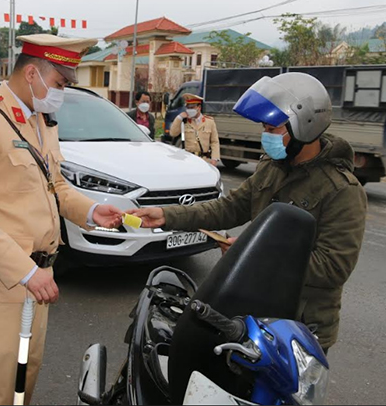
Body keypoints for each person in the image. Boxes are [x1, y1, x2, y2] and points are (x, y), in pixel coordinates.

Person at [128, 73, 367, 353]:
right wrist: (167, 215)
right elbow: (229, 208)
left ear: (304, 124)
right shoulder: (272, 166)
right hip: (254, 312)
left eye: (272, 128)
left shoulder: (341, 190)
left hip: (299, 329)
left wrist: (254, 256)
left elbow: (332, 268)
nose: (266, 135)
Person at [0, 34, 124, 405]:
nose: (62, 92)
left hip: (38, 280)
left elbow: (54, 184)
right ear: (32, 73)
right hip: (1, 283)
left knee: (22, 384)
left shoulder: (40, 121)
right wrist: (26, 272)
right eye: (60, 83)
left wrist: (92, 210)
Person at [169, 93, 221, 166]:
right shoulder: (184, 122)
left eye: (192, 107)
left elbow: (214, 142)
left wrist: (215, 158)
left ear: (199, 107)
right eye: (188, 107)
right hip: (188, 160)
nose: (189, 110)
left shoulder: (209, 122)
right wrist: (179, 118)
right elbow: (173, 133)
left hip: (205, 160)